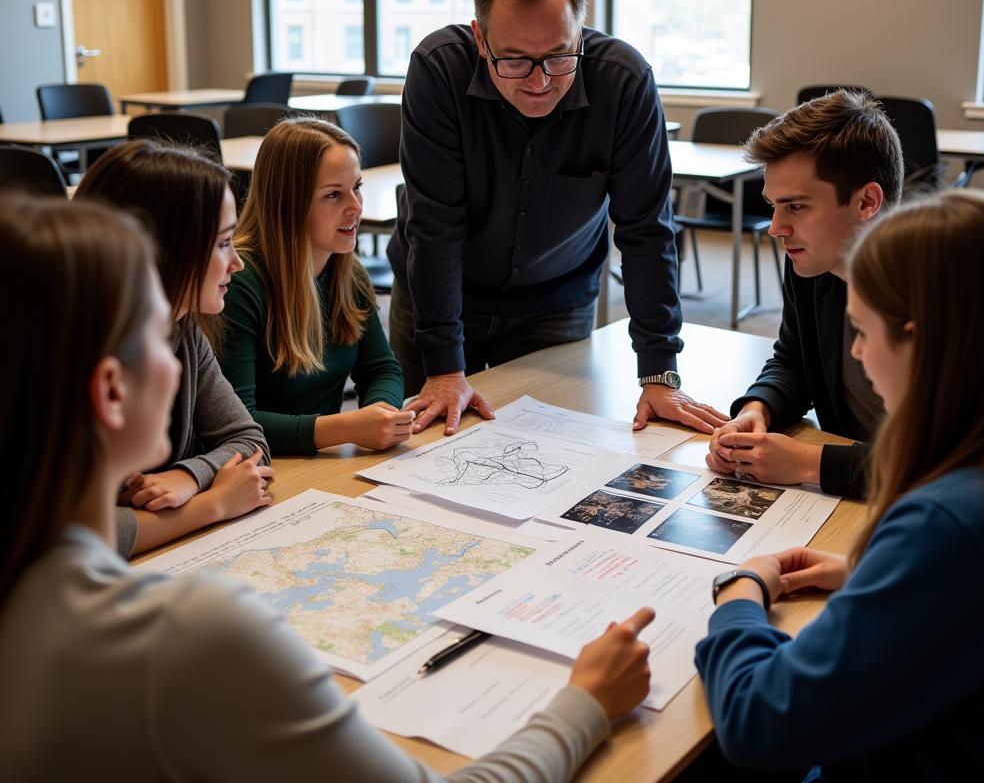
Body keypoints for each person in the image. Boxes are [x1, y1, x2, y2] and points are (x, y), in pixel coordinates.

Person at [0, 194, 656, 781]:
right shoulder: (186, 638)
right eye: (160, 337)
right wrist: (587, 702)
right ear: (113, 391)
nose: (183, 357)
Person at [693, 190, 984, 780]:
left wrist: (738, 594)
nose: (858, 354)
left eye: (864, 331)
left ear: (920, 341)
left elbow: (759, 723)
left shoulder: (950, 520)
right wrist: (881, 575)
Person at [387, 0, 726, 437]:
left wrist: (659, 370)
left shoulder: (623, 83)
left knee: (544, 450)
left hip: (555, 302)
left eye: (558, 56)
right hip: (438, 292)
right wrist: (443, 366)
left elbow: (646, 231)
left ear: (580, 33)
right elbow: (434, 226)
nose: (540, 82)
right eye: (517, 61)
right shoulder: (440, 70)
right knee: (420, 452)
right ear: (481, 38)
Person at [75, 139, 272, 556]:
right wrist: (213, 504)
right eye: (222, 243)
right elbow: (77, 536)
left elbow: (248, 439)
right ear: (165, 249)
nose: (236, 263)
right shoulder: (68, 357)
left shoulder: (182, 327)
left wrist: (189, 475)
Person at [705, 91, 904, 498]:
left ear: (867, 201)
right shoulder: (812, 263)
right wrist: (757, 410)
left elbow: (958, 464)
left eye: (795, 206)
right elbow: (795, 360)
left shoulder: (946, 296)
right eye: (773, 206)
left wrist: (806, 462)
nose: (775, 227)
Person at [218, 118, 408, 455]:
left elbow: (381, 369)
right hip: (263, 469)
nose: (356, 207)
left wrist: (382, 413)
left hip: (321, 462)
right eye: (334, 195)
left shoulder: (347, 272)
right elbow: (236, 423)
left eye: (357, 187)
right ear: (289, 202)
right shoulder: (239, 282)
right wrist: (347, 427)